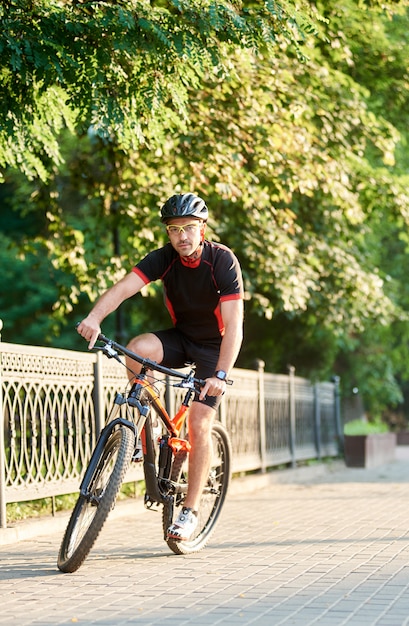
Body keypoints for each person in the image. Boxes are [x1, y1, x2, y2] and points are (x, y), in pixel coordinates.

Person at [77, 192, 244, 541]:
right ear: (168, 233)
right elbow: (124, 288)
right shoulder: (163, 259)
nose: (182, 236)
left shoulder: (222, 261)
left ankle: (189, 512)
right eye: (174, 229)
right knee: (138, 349)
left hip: (214, 349)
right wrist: (94, 317)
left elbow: (235, 325)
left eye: (188, 228)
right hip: (181, 337)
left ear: (202, 228)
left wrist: (221, 375)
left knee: (199, 422)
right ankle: (146, 431)